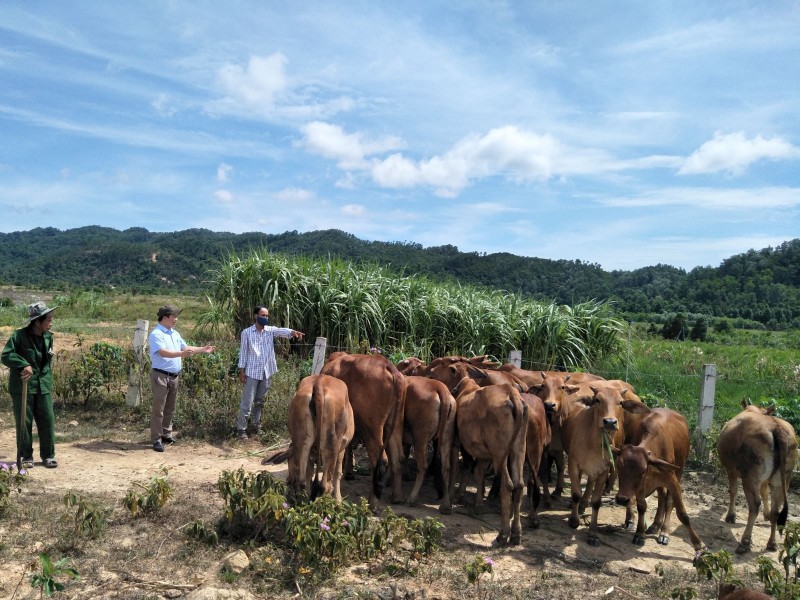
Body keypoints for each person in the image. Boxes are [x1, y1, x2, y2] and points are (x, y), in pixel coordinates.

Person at [148, 305, 215, 452]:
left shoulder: (174, 333)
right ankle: (156, 439)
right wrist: (180, 354)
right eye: (174, 317)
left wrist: (202, 349)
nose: (176, 319)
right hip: (160, 375)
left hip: (173, 376)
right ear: (165, 317)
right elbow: (163, 352)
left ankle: (166, 433)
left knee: (170, 408)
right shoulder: (156, 334)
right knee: (159, 409)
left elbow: (185, 348)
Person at [1, 301, 59, 469]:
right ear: (37, 321)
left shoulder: (49, 337)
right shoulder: (18, 336)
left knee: (47, 420)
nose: (51, 322)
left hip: (43, 385)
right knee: (24, 422)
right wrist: (23, 364)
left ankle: (48, 455)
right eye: (48, 319)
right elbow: (5, 356)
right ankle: (26, 456)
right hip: (23, 386)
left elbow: (46, 361)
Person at [236, 304, 304, 439]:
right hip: (252, 372)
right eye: (263, 315)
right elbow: (243, 352)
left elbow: (281, 331)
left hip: (266, 371)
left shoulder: (270, 331)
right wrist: (241, 370)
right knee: (247, 401)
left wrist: (292, 332)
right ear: (256, 316)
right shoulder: (247, 333)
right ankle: (241, 429)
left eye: (267, 316)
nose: (265, 318)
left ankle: (256, 425)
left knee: (260, 400)